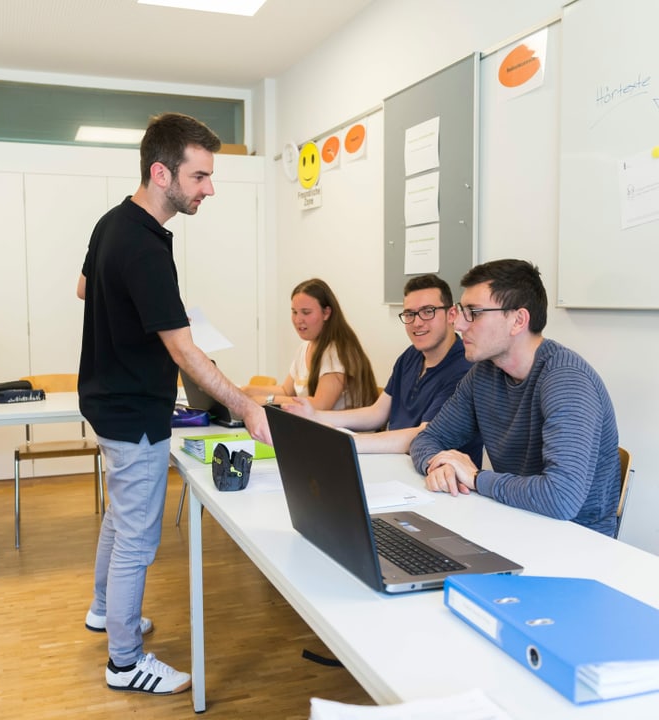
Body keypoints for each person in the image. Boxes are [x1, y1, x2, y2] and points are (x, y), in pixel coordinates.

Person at [77, 112, 270, 696]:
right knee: (138, 534)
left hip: (106, 398)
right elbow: (185, 352)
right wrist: (247, 407)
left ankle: (104, 610)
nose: (208, 188)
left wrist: (142, 311)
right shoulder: (144, 245)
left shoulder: (113, 222)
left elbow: (86, 288)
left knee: (119, 516)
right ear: (162, 173)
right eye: (200, 176)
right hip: (134, 408)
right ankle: (125, 661)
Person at [410, 259, 620, 536]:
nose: (459, 323)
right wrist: (439, 464)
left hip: (574, 541)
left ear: (518, 320)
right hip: (514, 521)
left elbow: (561, 498)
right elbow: (428, 439)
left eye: (473, 312)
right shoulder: (484, 373)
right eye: (462, 310)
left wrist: (474, 478)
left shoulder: (567, 380)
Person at [285, 274, 479, 458]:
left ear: (451, 314)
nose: (417, 322)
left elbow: (424, 435)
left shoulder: (464, 367)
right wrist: (315, 415)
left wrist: (350, 443)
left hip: (437, 475)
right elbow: (377, 413)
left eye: (428, 311)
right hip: (396, 461)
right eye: (410, 314)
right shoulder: (410, 356)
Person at [243, 278, 378, 411]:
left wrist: (268, 400)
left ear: (326, 313)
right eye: (294, 312)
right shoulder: (305, 347)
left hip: (341, 431)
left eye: (306, 312)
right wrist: (246, 391)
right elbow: (286, 391)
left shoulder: (336, 352)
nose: (298, 320)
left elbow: (319, 405)